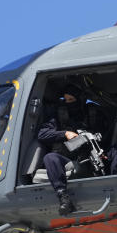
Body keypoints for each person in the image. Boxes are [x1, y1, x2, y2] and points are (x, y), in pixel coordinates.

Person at [37, 84, 89, 215]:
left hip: (87, 159)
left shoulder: (91, 115)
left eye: (71, 100)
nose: (68, 103)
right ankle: (63, 197)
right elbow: (42, 134)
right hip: (66, 159)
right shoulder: (58, 117)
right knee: (50, 158)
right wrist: (64, 134)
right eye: (66, 100)